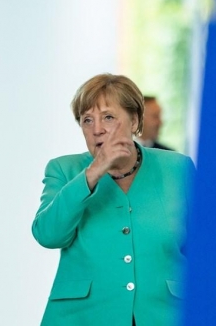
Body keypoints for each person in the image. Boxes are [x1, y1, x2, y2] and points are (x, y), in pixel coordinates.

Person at [32, 74, 194, 326]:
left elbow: (204, 247)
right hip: (82, 317)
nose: (97, 128)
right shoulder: (63, 169)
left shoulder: (177, 168)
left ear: (134, 121)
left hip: (164, 315)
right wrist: (93, 172)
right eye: (87, 120)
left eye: (108, 117)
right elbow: (48, 235)